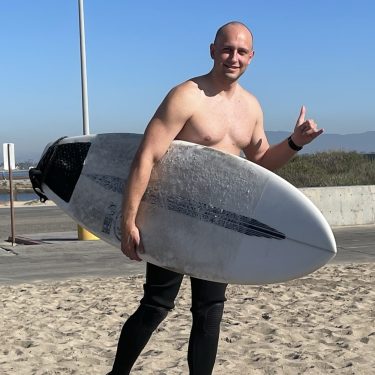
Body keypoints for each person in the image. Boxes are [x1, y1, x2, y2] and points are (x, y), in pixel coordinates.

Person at [108, 21, 323, 374]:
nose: (232, 57)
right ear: (212, 50)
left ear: (251, 58)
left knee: (210, 311)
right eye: (226, 49)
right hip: (173, 216)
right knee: (157, 304)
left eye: (241, 52)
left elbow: (262, 163)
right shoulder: (186, 96)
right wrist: (128, 219)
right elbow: (146, 156)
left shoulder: (251, 107)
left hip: (218, 222)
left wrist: (296, 142)